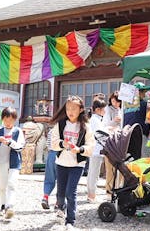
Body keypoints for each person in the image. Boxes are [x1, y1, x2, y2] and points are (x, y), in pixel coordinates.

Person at [50, 95, 94, 230]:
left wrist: (79, 149)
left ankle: (70, 221)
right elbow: (53, 144)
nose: (70, 111)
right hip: (61, 162)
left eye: (74, 108)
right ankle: (60, 208)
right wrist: (63, 143)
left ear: (81, 109)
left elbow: (91, 147)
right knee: (61, 192)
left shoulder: (85, 126)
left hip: (77, 164)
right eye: (68, 108)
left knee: (71, 192)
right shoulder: (60, 124)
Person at [0, 107, 25, 219]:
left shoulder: (18, 131)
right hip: (2, 161)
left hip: (14, 162)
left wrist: (10, 143)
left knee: (12, 184)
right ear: (2, 119)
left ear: (15, 120)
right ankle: (3, 205)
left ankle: (10, 206)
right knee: (2, 185)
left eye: (11, 120)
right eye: (6, 120)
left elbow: (20, 146)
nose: (8, 123)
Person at [86, 97, 107, 203]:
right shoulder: (95, 120)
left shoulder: (95, 119)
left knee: (92, 172)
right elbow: (101, 134)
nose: (105, 111)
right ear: (98, 110)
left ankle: (91, 194)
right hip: (96, 150)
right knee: (94, 173)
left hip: (94, 150)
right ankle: (92, 195)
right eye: (103, 109)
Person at [123, 82, 150, 157]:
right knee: (143, 160)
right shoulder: (144, 104)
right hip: (140, 135)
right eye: (143, 92)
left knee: (131, 159)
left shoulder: (126, 106)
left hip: (127, 136)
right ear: (138, 92)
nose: (144, 95)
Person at [41, 121, 57, 210]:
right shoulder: (64, 130)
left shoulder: (52, 131)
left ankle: (45, 197)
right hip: (61, 155)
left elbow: (47, 145)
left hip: (51, 154)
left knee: (49, 179)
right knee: (62, 180)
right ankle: (59, 201)